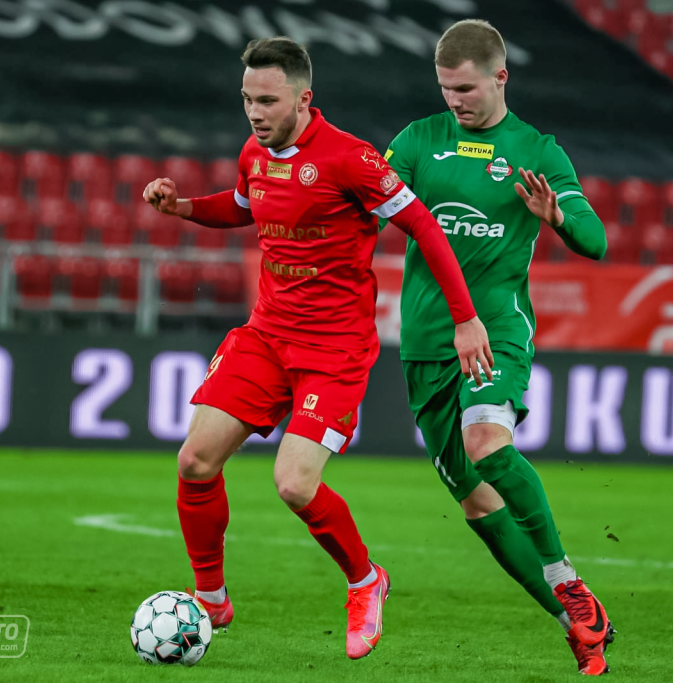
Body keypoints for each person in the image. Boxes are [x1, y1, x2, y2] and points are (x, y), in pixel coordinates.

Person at [142, 36, 493, 661]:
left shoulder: (350, 160)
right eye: (247, 99)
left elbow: (423, 225)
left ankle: (365, 580)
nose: (255, 113)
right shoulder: (255, 151)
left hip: (334, 349)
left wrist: (465, 319)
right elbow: (243, 208)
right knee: (194, 460)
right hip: (266, 334)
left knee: (294, 484)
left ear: (304, 99)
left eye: (268, 101)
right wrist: (184, 208)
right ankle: (211, 599)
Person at [381, 19, 613, 675]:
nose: (454, 100)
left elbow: (596, 240)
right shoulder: (419, 141)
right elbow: (366, 206)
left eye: (465, 88)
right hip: (424, 342)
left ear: (500, 76)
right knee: (476, 501)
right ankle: (578, 622)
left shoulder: (536, 151)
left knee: (487, 441)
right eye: (445, 88)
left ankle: (566, 578)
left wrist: (558, 217)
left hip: (496, 330)